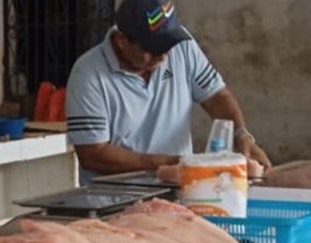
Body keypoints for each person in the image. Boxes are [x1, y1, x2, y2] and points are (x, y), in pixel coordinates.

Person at [65, 0, 272, 183]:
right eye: (151, 49)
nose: (162, 57)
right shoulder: (89, 74)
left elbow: (217, 96)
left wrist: (241, 134)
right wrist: (171, 163)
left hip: (179, 191)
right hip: (114, 202)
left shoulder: (182, 47)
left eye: (166, 47)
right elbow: (93, 153)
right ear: (121, 41)